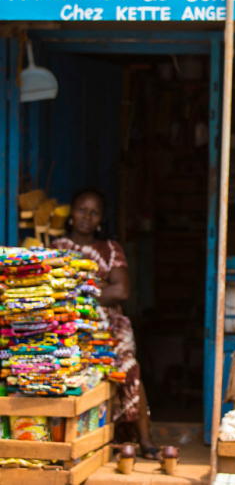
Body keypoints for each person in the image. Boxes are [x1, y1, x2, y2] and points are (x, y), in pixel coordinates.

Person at [51, 189, 158, 458]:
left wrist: (78, 288)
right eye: (81, 209)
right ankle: (84, 442)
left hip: (110, 325)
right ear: (71, 214)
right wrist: (100, 286)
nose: (87, 216)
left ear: (101, 219)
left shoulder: (110, 249)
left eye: (94, 211)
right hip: (69, 324)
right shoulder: (56, 248)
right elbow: (52, 292)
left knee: (128, 368)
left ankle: (145, 441)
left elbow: (121, 291)